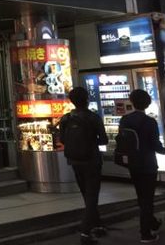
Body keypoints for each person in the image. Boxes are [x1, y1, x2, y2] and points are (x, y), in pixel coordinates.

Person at [59, 87, 109, 245]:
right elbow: (104, 140)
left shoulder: (66, 119)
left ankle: (97, 225)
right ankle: (85, 232)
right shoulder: (93, 117)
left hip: (74, 161)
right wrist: (91, 141)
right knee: (92, 196)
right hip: (92, 161)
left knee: (86, 194)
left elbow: (62, 140)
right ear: (87, 99)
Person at [119, 89, 165, 243]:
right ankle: (145, 233)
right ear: (147, 103)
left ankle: (152, 223)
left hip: (133, 163)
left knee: (141, 197)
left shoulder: (124, 120)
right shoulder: (150, 122)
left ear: (132, 102)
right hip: (148, 164)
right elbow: (156, 145)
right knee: (148, 199)